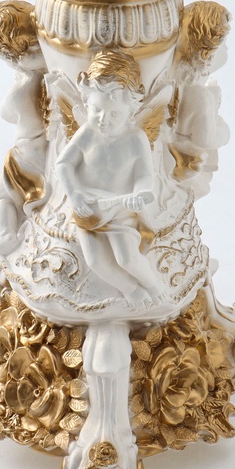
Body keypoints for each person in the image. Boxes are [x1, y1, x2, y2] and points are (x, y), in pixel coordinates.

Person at [55, 50, 163, 309]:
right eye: (96, 110)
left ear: (131, 111)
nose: (103, 120)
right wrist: (75, 194)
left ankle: (155, 286)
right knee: (95, 261)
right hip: (88, 208)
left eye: (114, 114)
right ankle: (131, 290)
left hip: (119, 211)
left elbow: (144, 175)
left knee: (127, 258)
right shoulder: (88, 133)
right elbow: (63, 164)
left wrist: (140, 193)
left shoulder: (135, 138)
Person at [0, 0, 48, 255]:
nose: (10, 59)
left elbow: (6, 114)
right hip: (39, 148)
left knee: (0, 192)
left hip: (27, 153)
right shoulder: (45, 76)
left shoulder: (23, 90)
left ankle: (6, 232)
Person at [170, 1, 231, 198]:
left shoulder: (175, 77)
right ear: (209, 51)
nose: (226, 48)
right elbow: (205, 139)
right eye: (223, 42)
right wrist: (223, 130)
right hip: (186, 165)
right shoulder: (198, 94)